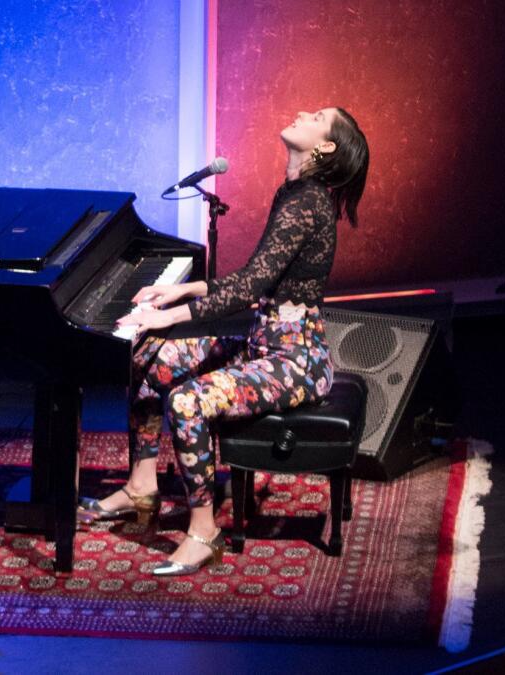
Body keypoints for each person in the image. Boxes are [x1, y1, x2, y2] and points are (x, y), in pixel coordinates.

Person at [80, 107, 370, 575]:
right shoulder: (294, 193)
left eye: (316, 116)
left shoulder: (308, 202)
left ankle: (203, 531)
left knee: (189, 403)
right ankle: (141, 483)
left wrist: (168, 313)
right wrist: (183, 289)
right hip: (264, 343)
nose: (301, 112)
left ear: (326, 147)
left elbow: (250, 287)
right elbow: (255, 277)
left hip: (297, 360)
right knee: (153, 356)